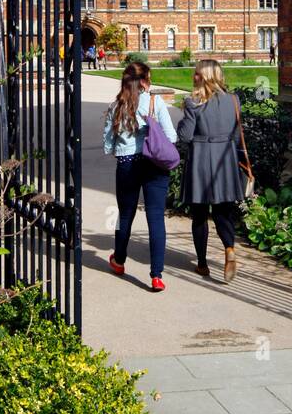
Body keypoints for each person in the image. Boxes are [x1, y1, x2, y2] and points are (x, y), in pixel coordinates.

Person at [103, 61, 178, 293]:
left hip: (127, 164)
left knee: (125, 214)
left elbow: (108, 146)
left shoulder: (116, 106)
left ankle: (119, 260)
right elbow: (172, 137)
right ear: (145, 81)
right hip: (154, 164)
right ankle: (156, 275)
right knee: (156, 217)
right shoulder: (155, 102)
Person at [177, 59, 247, 283]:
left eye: (197, 74)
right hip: (225, 159)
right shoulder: (234, 101)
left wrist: (182, 124)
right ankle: (229, 249)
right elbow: (237, 136)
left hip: (200, 160)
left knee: (199, 215)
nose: (193, 77)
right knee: (223, 211)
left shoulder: (192, 102)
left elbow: (185, 136)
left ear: (205, 77)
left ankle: (202, 264)